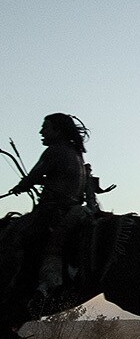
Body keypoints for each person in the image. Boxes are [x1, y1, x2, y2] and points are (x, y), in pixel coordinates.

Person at [6, 113, 89, 301]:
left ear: (58, 130)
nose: (41, 131)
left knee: (17, 238)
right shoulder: (76, 153)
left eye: (46, 127)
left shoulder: (55, 150)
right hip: (74, 210)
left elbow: (34, 175)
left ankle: (29, 285)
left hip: (55, 210)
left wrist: (22, 186)